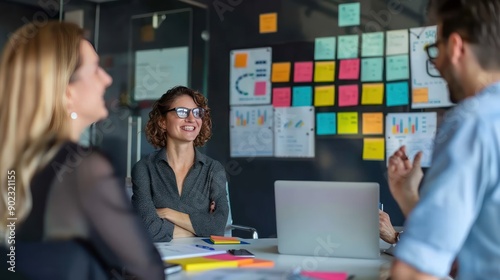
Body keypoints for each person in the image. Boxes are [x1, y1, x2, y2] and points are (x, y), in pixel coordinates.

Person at [0, 21, 164, 279]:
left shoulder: (14, 167)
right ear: (67, 92)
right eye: (95, 69)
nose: (107, 79)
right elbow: (149, 272)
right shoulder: (84, 167)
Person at [388, 0, 500, 279]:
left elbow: (414, 273)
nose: (435, 62)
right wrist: (409, 198)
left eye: (436, 48)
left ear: (456, 46)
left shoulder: (472, 122)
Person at [132, 86, 229, 242]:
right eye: (182, 112)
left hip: (202, 259)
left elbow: (217, 228)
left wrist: (168, 214)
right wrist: (199, 230)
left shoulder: (213, 169)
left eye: (197, 113)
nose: (192, 119)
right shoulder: (144, 168)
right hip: (157, 259)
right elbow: (148, 229)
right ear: (162, 122)